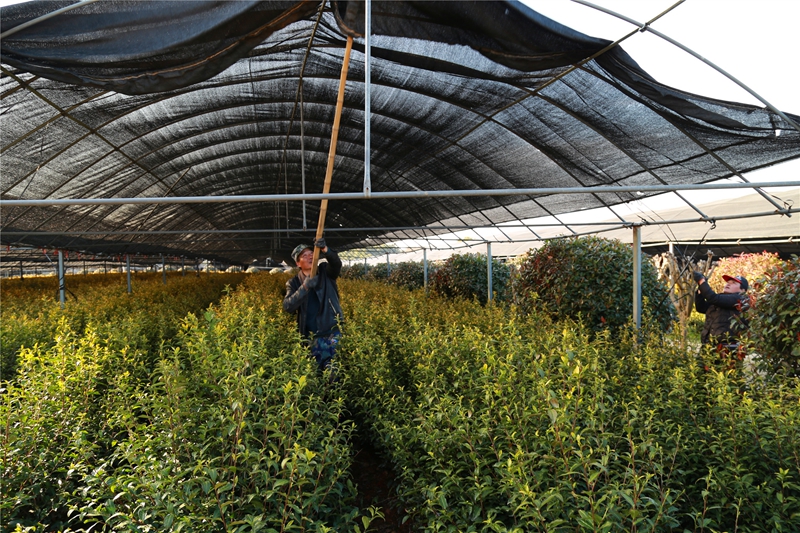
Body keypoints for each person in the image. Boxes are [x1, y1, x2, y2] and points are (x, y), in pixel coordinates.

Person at [283, 238, 344, 372]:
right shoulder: (293, 283)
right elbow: (288, 306)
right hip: (311, 336)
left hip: (331, 331)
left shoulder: (325, 272)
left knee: (334, 371)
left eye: (311, 253)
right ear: (298, 263)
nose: (310, 256)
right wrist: (305, 287)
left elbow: (336, 264)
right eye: (304, 255)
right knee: (314, 372)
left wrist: (326, 250)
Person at [692, 271, 750, 363]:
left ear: (743, 290)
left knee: (726, 372)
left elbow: (713, 298)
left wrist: (701, 281)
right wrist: (700, 289)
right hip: (709, 346)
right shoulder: (722, 300)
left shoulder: (740, 299)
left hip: (728, 349)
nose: (728, 284)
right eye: (728, 282)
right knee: (699, 371)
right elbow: (701, 307)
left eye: (733, 283)